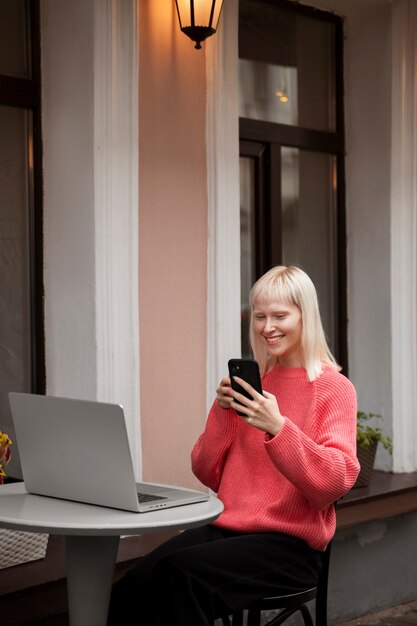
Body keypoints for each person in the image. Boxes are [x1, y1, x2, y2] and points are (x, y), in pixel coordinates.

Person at [107, 265, 360, 626]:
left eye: (279, 316)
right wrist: (223, 412)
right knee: (134, 585)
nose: (267, 327)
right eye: (259, 316)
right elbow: (206, 471)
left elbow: (333, 483)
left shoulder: (333, 388)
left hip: (289, 547)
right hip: (227, 530)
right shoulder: (255, 384)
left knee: (180, 577)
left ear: (306, 316)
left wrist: (277, 427)